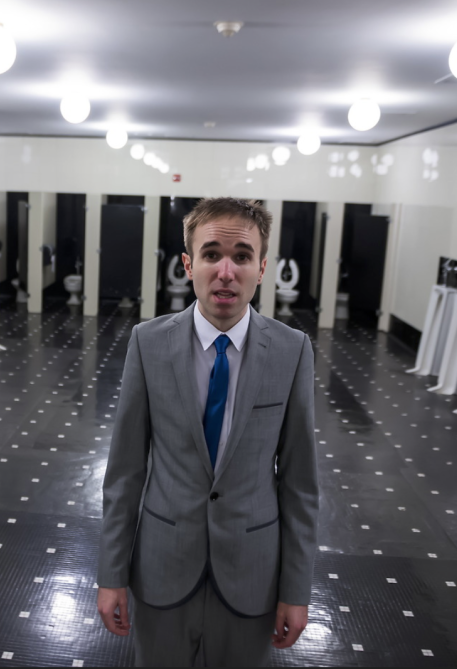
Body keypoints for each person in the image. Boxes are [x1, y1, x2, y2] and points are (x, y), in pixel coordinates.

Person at [96, 197, 319, 666]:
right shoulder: (147, 343)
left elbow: (300, 484)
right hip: (162, 568)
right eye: (211, 253)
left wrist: (296, 590)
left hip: (252, 574)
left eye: (241, 257)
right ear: (187, 264)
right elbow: (124, 473)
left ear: (261, 268)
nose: (225, 271)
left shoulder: (292, 351)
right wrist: (111, 574)